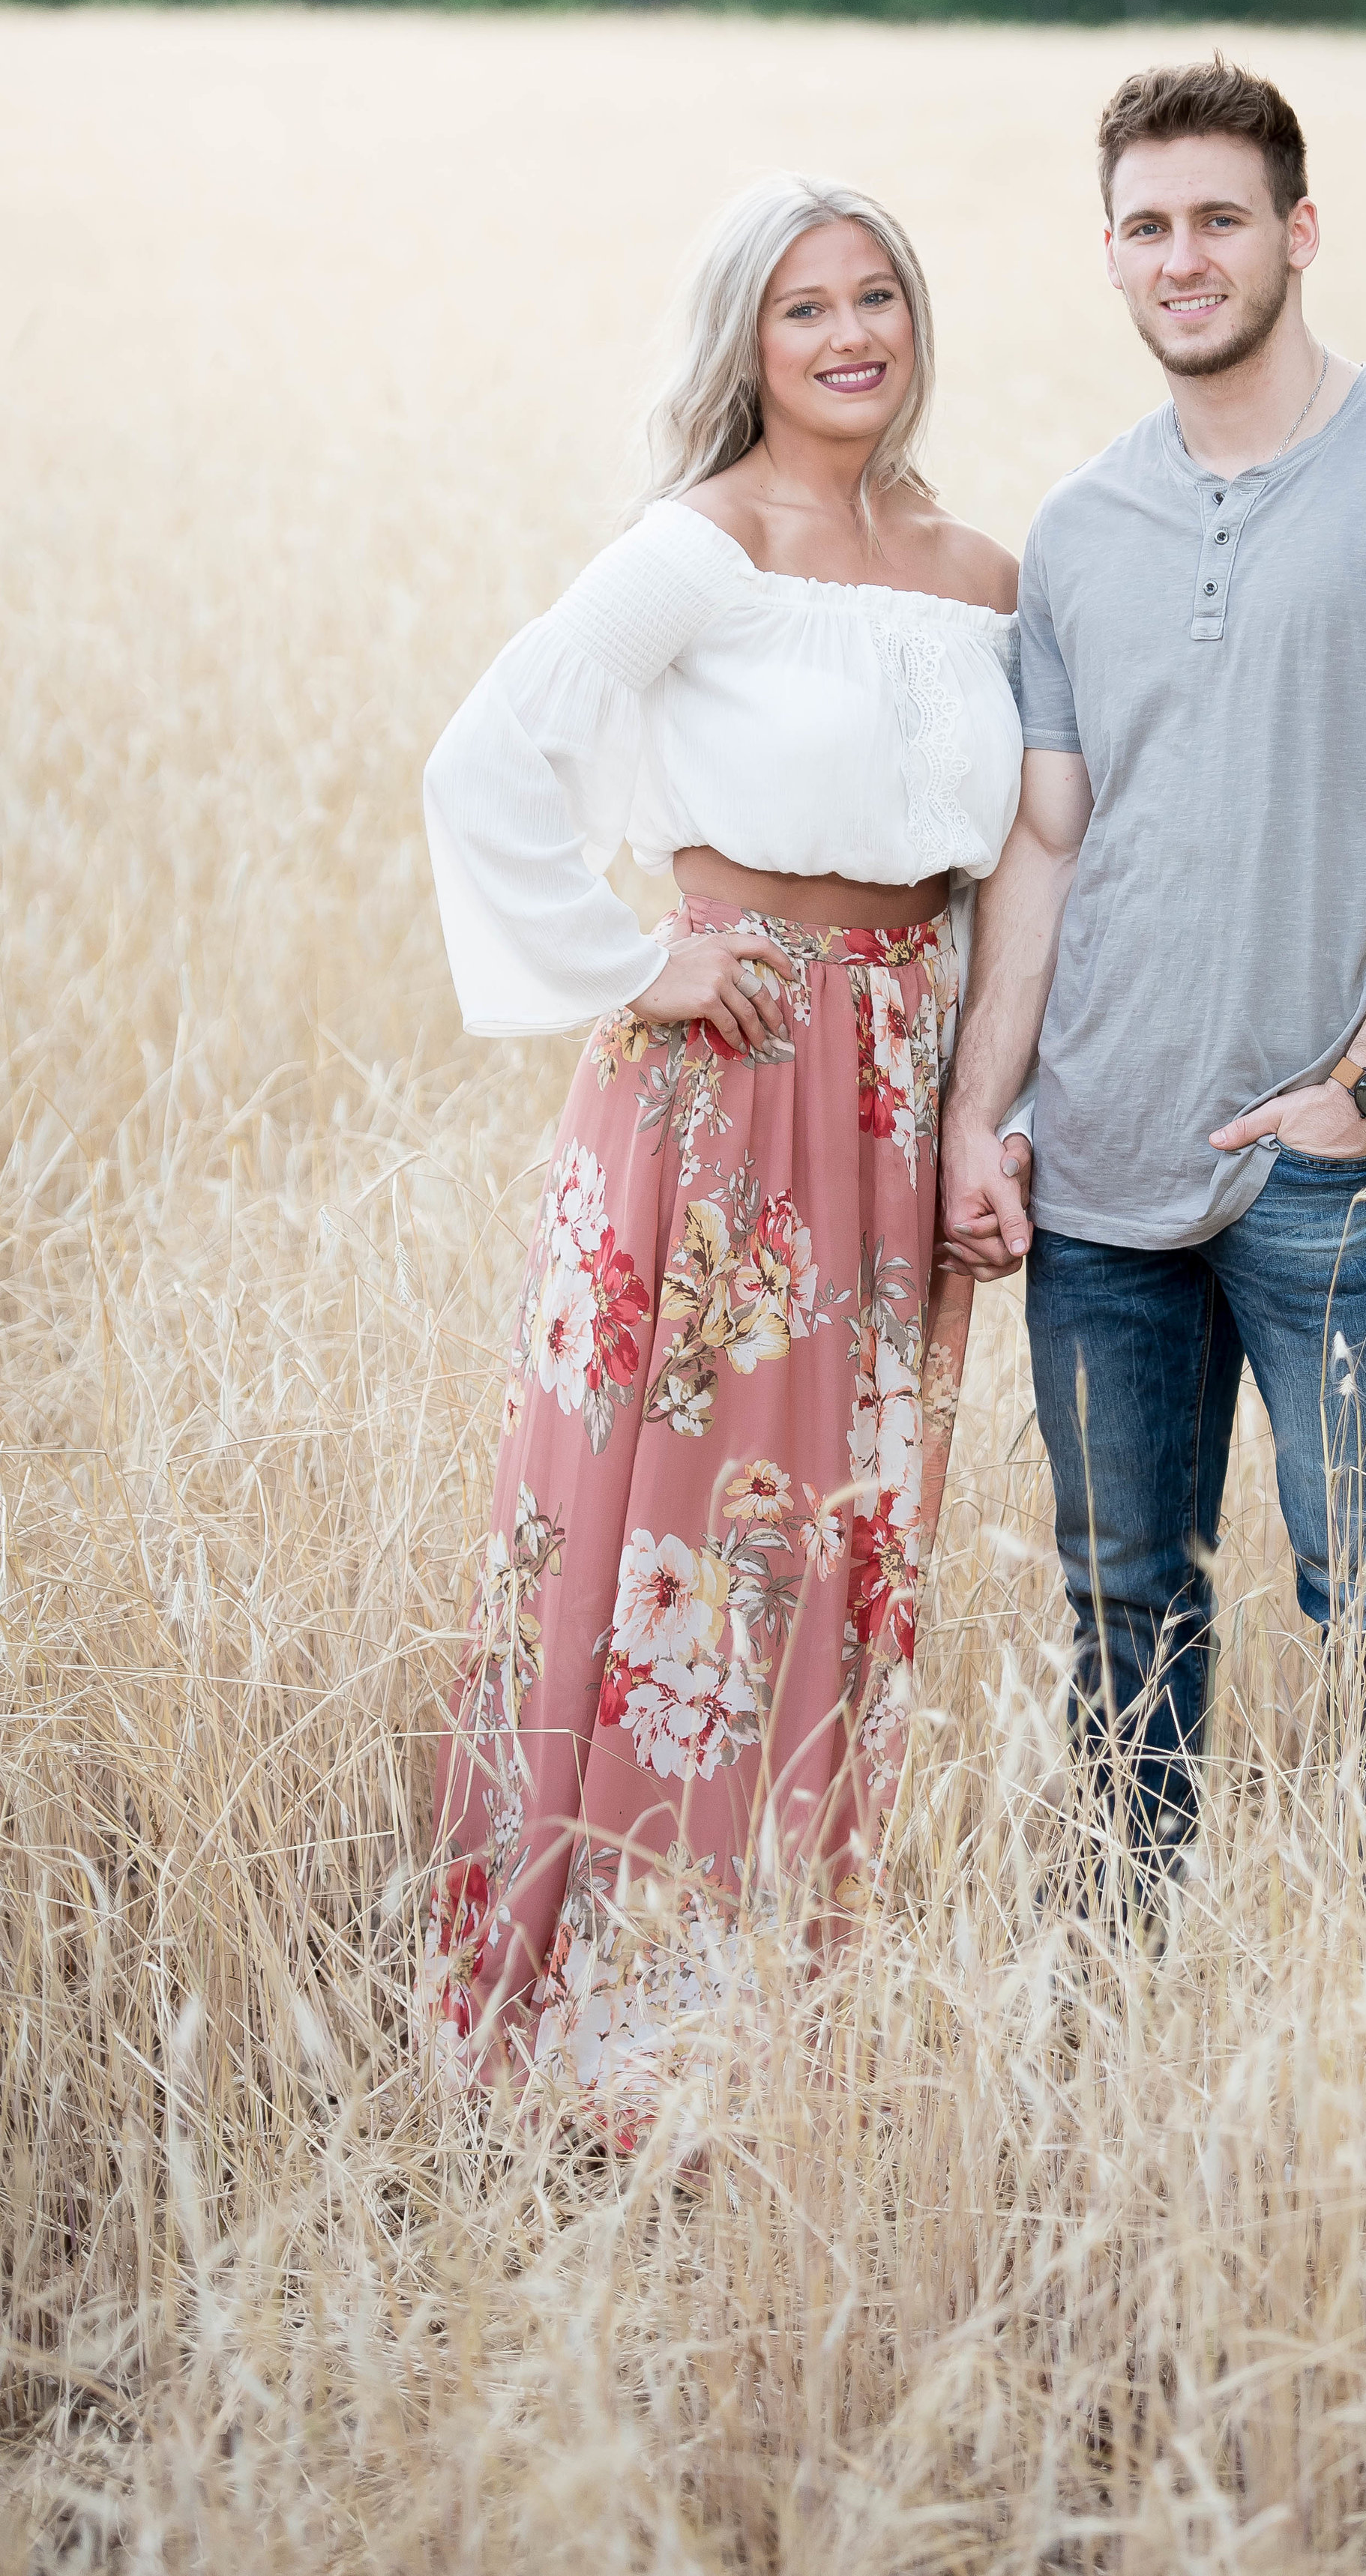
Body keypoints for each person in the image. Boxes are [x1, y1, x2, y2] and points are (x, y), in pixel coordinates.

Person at [421, 175, 1022, 2144]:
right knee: (675, 1527)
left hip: (898, 1081)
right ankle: (595, 2038)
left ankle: (774, 2016)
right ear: (744, 350)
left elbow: (1026, 862)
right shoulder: (701, 545)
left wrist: (982, 1101)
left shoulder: (977, 571)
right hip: (730, 1078)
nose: (852, 333)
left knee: (842, 1536)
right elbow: (486, 758)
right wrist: (641, 958)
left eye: (876, 297)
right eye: (803, 309)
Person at [940, 58, 1366, 1895]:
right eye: (1145, 226)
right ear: (1109, 256)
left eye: (1219, 218)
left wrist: (1360, 1097)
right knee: (1120, 1605)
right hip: (1099, 1178)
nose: (1181, 257)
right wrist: (986, 1113)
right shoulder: (1075, 530)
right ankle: (1133, 1980)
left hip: (1335, 1176)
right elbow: (1043, 843)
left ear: (1297, 232)